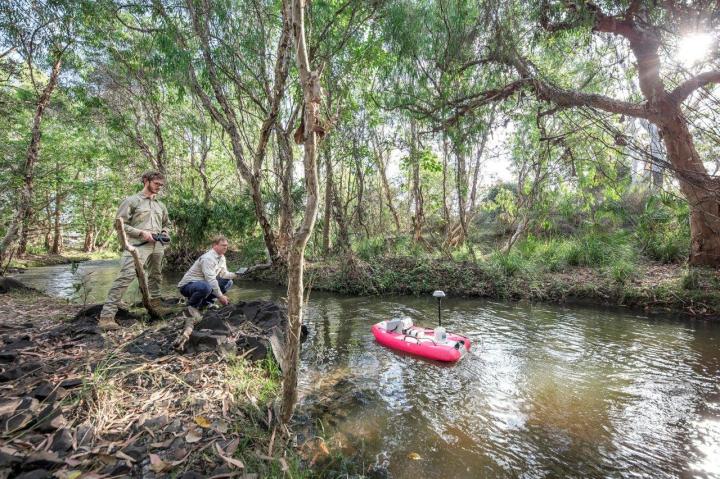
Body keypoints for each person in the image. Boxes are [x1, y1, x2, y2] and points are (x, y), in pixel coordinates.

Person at [98, 171, 170, 331]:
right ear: (146, 181)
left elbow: (166, 224)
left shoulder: (160, 205)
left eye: (161, 185)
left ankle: (156, 307)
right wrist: (141, 233)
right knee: (126, 277)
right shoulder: (131, 201)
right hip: (137, 247)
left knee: (156, 276)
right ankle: (106, 317)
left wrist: (165, 232)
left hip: (158, 246)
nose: (159, 187)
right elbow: (119, 224)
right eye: (156, 183)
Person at [178, 235, 239, 316]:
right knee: (206, 287)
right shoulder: (208, 258)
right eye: (223, 245)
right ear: (214, 245)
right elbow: (211, 280)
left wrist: (237, 274)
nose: (226, 247)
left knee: (228, 282)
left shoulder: (222, 257)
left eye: (226, 245)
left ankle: (205, 304)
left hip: (203, 283)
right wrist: (221, 296)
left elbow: (224, 274)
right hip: (187, 286)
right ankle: (191, 307)